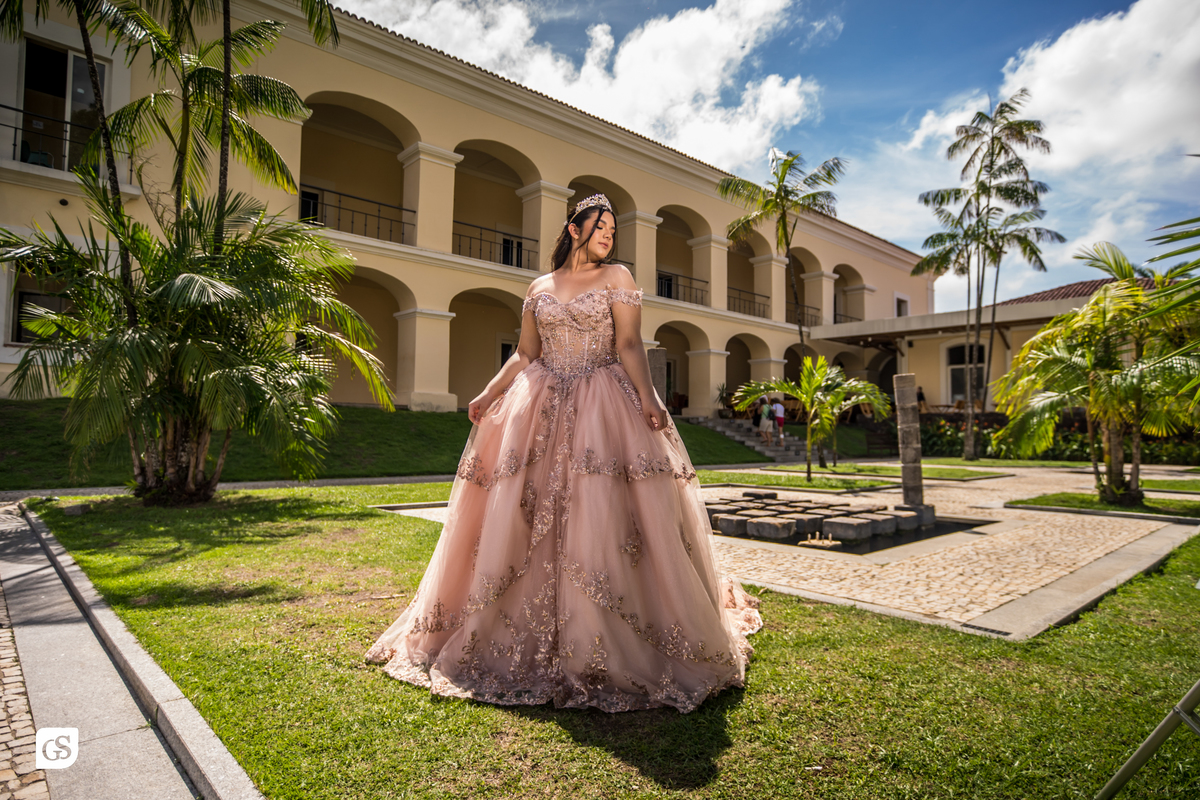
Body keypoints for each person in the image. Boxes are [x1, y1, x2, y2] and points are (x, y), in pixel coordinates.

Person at [365, 193, 762, 713]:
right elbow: (526, 353)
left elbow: (628, 346)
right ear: (575, 229)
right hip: (541, 406)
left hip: (604, 406)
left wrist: (648, 398)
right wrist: (489, 392)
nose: (609, 236)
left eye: (614, 231)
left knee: (605, 516)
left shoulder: (618, 277)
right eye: (602, 227)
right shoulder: (538, 288)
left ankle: (604, 640)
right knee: (524, 513)